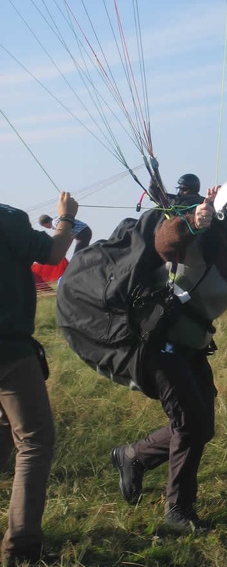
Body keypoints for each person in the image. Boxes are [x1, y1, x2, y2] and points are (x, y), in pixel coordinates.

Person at [109, 175, 227, 531]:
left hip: (192, 348)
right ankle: (178, 512)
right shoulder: (204, 241)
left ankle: (133, 456)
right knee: (190, 425)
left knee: (201, 427)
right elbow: (166, 243)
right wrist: (193, 222)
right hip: (161, 346)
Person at [0, 192, 79, 566]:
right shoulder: (8, 219)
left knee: (4, 429)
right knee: (34, 442)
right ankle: (21, 548)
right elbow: (51, 253)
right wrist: (67, 218)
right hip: (8, 351)